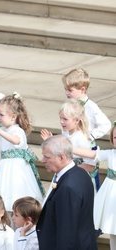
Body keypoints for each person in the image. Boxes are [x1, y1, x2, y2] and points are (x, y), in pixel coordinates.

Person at [0, 93, 45, 217]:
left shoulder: (17, 130)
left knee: (17, 196)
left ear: (13, 117)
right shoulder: (2, 131)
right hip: (4, 168)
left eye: (1, 115)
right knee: (3, 198)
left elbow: (16, 140)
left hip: (16, 169)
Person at [37, 135, 97, 250]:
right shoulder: (81, 174)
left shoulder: (67, 187)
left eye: (47, 157)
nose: (42, 160)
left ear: (61, 157)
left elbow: (66, 232)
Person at [62, 68, 111, 190]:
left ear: (82, 89)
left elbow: (106, 124)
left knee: (88, 179)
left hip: (86, 148)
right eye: (65, 89)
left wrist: (89, 135)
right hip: (72, 146)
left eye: (70, 90)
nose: (67, 93)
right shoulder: (70, 105)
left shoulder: (91, 107)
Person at [73, 121, 116, 250]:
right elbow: (92, 154)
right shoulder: (110, 154)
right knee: (113, 229)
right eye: (115, 137)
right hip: (111, 195)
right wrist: (69, 148)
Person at [41, 99, 98, 192]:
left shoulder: (81, 138)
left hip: (76, 179)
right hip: (66, 175)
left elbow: (91, 165)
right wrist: (51, 141)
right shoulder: (66, 133)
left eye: (65, 119)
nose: (61, 122)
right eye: (60, 118)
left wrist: (69, 167)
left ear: (76, 120)